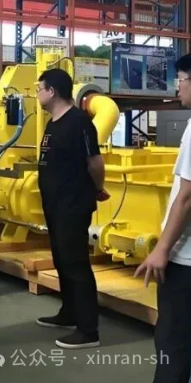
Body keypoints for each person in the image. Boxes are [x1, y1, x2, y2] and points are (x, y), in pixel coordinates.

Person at [35, 68, 109, 349]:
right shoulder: (52, 123)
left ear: (52, 91)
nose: (37, 94)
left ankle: (88, 330)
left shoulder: (79, 123)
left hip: (73, 204)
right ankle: (69, 312)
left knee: (76, 263)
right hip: (54, 204)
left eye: (39, 88)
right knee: (61, 259)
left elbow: (95, 162)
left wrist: (97, 188)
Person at [134, 53, 191, 383]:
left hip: (185, 260)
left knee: (173, 342)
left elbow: (186, 196)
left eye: (181, 80)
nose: (177, 88)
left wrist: (162, 249)